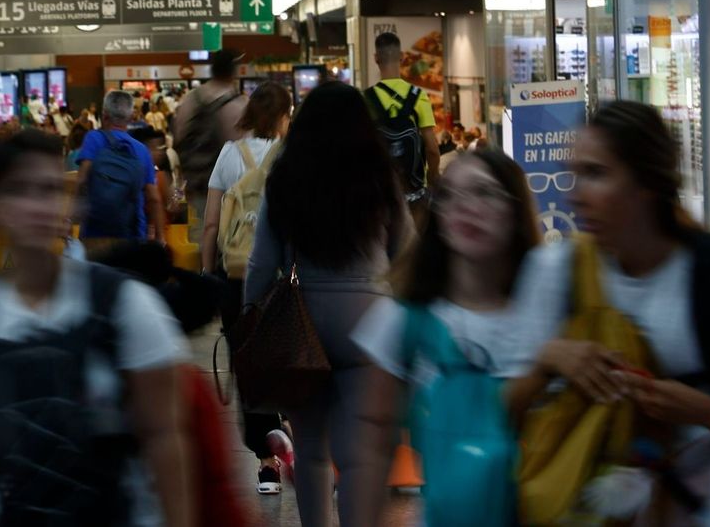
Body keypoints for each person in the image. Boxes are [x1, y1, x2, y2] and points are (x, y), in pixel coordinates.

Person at [508, 102, 710, 526]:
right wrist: (549, 360)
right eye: (575, 172)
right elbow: (501, 412)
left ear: (645, 185)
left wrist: (708, 413)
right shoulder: (554, 274)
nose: (574, 193)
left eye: (596, 174)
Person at [0, 129, 194, 527]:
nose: (35, 206)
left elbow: (165, 435)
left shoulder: (125, 306)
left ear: (70, 204)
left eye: (48, 189)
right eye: (19, 190)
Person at [244, 81, 408, 527]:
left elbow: (262, 263)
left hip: (304, 322)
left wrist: (250, 314)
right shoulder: (380, 174)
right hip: (371, 322)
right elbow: (406, 250)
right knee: (359, 458)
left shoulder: (286, 178)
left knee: (313, 451)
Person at [349, 148, 542, 525]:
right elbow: (373, 446)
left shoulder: (549, 319)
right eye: (450, 195)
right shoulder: (402, 320)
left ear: (517, 210)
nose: (465, 207)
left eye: (485, 193)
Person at [199, 81, 293, 495]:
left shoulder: (228, 155)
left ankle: (267, 464)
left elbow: (211, 222)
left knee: (248, 369)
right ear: (284, 115)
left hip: (235, 277)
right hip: (281, 278)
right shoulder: (290, 157)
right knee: (290, 360)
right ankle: (299, 443)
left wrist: (208, 272)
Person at [174, 49, 247, 246]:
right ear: (234, 72)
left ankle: (203, 272)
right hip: (230, 188)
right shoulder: (237, 105)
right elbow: (243, 150)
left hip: (197, 183)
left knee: (203, 233)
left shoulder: (191, 99)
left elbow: (179, 139)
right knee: (230, 240)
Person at [368, 33, 441, 227]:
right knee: (414, 249)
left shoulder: (365, 99)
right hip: (414, 194)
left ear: (376, 58)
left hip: (380, 195)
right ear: (401, 57)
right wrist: (432, 178)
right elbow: (432, 149)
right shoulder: (419, 97)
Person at [76, 90, 167, 246]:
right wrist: (160, 238)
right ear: (131, 117)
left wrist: (70, 219)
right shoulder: (141, 150)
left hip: (94, 235)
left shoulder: (93, 138)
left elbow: (81, 181)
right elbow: (154, 198)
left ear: (104, 115)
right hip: (132, 235)